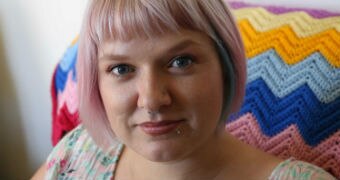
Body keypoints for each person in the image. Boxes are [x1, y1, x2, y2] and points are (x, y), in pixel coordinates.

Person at [32, 0, 336, 179]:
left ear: (225, 66)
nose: (152, 99)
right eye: (121, 69)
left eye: (180, 61)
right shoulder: (77, 155)